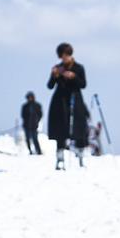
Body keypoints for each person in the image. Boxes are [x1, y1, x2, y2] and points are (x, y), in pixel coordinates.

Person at [47, 42, 88, 170]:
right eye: (62, 56)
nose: (63, 58)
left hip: (75, 100)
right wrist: (54, 76)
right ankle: (60, 159)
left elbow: (83, 84)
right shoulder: (58, 68)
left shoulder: (79, 68)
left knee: (79, 128)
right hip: (60, 101)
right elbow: (49, 86)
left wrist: (73, 77)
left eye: (65, 55)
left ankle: (81, 158)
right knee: (60, 130)